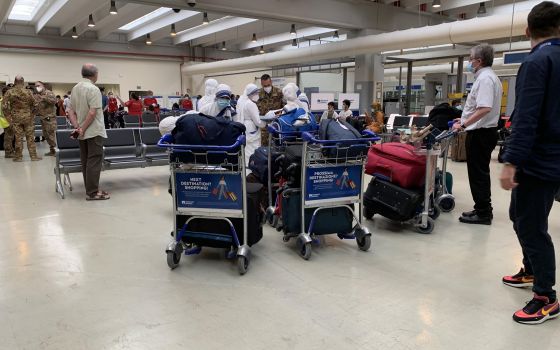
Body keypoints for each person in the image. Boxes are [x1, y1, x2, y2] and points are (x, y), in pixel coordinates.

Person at [499, 1, 560, 325]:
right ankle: (531, 269)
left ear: (527, 32)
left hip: (537, 160)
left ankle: (545, 296)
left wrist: (511, 161)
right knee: (519, 216)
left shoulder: (537, 61)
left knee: (532, 226)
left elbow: (526, 118)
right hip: (550, 158)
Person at [451, 44, 503, 225]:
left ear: (479, 61)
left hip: (481, 134)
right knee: (478, 172)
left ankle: (483, 213)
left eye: (470, 58)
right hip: (482, 132)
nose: (469, 62)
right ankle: (481, 208)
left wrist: (463, 124)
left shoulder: (485, 79)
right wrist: (462, 120)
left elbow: (484, 108)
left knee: (478, 173)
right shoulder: (487, 77)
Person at [66, 63, 109, 201]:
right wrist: (83, 128)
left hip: (82, 132)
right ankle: (92, 192)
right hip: (93, 131)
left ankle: (91, 189)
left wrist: (78, 128)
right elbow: (92, 112)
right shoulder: (93, 89)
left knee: (86, 160)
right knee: (94, 160)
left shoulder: (75, 88)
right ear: (95, 74)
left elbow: (70, 111)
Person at [1, 76, 40, 162]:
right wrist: (32, 115)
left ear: (15, 81)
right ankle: (33, 156)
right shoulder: (28, 92)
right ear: (23, 82)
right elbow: (36, 105)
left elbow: (4, 106)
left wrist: (8, 118)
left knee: (18, 138)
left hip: (16, 118)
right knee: (30, 138)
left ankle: (18, 157)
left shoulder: (9, 92)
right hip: (28, 118)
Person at [235, 83, 266, 167]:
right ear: (251, 93)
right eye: (256, 93)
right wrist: (266, 121)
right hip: (251, 129)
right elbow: (258, 122)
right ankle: (250, 173)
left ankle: (246, 172)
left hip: (245, 128)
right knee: (252, 152)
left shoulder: (242, 101)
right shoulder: (251, 104)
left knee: (246, 152)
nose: (257, 95)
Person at [257, 74, 284, 146]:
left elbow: (285, 109)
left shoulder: (279, 93)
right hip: (263, 127)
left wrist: (276, 113)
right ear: (261, 84)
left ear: (271, 82)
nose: (266, 87)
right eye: (264, 86)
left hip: (277, 125)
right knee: (264, 148)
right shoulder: (258, 94)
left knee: (277, 147)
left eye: (268, 85)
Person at [34, 81, 57, 156]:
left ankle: (56, 151)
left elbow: (54, 101)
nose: (37, 87)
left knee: (51, 135)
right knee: (46, 135)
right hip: (42, 118)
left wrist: (43, 98)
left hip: (49, 118)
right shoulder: (38, 95)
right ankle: (52, 150)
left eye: (39, 85)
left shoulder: (48, 93)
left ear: (43, 85)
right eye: (36, 86)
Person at [1, 86, 15, 158]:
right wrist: (11, 122)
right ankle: (8, 153)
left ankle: (10, 151)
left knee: (10, 137)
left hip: (5, 121)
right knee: (8, 138)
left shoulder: (2, 100)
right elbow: (7, 113)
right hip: (7, 122)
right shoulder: (5, 102)